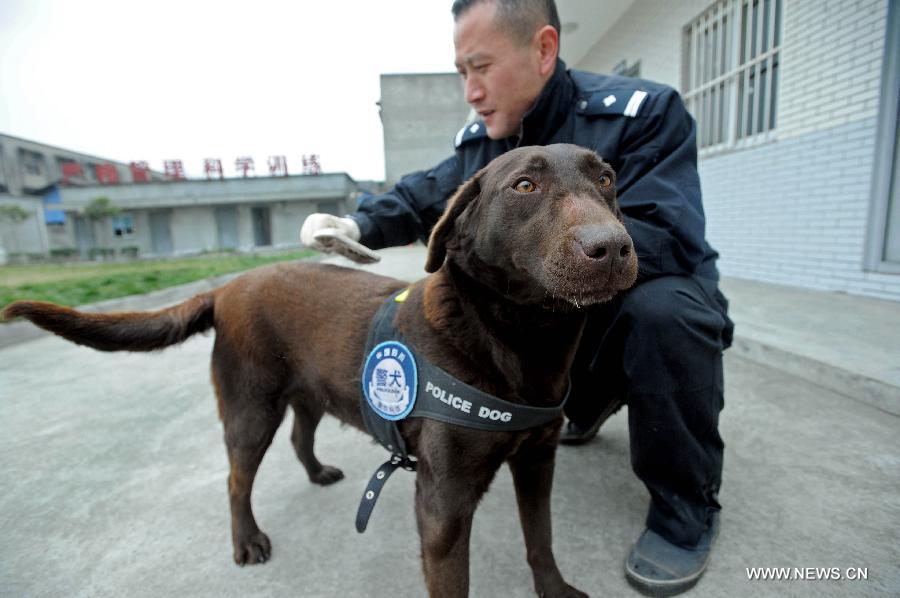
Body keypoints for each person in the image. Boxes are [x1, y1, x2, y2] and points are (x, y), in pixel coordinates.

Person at [300, 0, 734, 595]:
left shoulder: (642, 113)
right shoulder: (487, 143)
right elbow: (428, 195)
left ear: (544, 50)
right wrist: (357, 226)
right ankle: (575, 407)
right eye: (461, 74)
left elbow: (668, 227)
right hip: (554, 321)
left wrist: (567, 255)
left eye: (481, 67)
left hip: (632, 310)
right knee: (513, 314)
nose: (471, 91)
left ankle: (684, 513)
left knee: (665, 314)